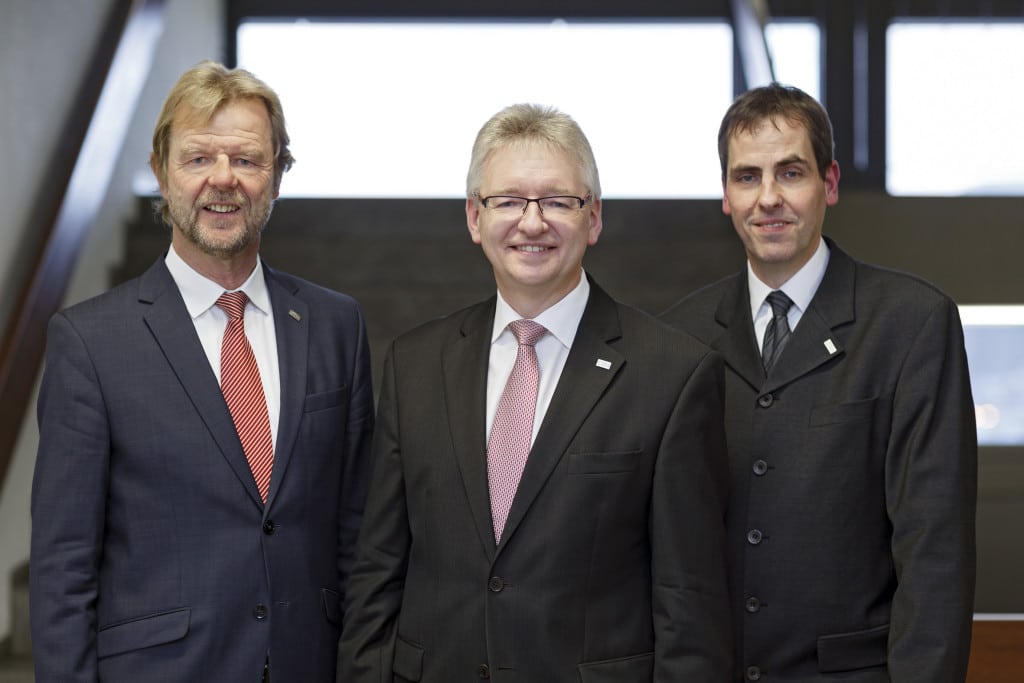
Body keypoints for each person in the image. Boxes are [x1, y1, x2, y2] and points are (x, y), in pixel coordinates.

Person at [337, 103, 732, 681]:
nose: (531, 222)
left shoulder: (673, 374)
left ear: (593, 218)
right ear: (474, 218)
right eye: (508, 201)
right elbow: (378, 570)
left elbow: (688, 605)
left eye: (556, 201)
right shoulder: (415, 365)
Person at [29, 60, 374, 682]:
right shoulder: (88, 341)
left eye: (247, 160)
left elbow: (355, 532)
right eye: (197, 159)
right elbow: (63, 567)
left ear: (277, 177)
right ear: (161, 173)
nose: (224, 180)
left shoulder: (336, 326)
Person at [661, 82, 977, 682]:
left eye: (791, 173)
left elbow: (935, 554)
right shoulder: (680, 337)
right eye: (747, 177)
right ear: (725, 196)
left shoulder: (911, 324)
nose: (769, 198)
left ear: (829, 183)